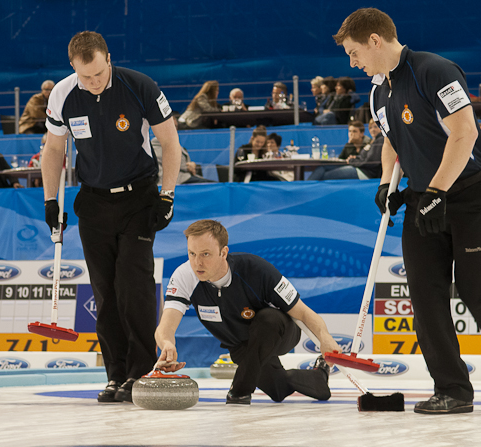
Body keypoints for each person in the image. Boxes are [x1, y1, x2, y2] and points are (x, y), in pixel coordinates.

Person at [334, 8, 481, 414]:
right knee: (425, 298)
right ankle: (452, 390)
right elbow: (391, 139)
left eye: (354, 52)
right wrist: (384, 182)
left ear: (375, 40)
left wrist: (436, 190)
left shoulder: (435, 70)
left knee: (476, 288)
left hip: (469, 193)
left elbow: (464, 132)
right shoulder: (379, 91)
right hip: (422, 198)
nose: (353, 62)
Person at [41, 31, 181, 404]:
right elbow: (54, 149)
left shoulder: (139, 86)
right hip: (94, 203)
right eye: (86, 77)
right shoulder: (63, 95)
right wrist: (50, 201)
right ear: (73, 67)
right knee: (104, 293)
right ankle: (115, 375)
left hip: (138, 199)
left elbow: (170, 143)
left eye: (100, 74)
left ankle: (139, 373)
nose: (94, 82)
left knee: (132, 288)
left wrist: (167, 195)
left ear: (108, 59)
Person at [154, 220, 339, 404]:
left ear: (223, 253)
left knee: (267, 319)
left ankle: (239, 391)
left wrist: (325, 337)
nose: (197, 263)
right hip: (240, 345)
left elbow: (304, 312)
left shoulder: (257, 270)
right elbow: (165, 328)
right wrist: (167, 344)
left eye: (205, 254)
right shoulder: (184, 276)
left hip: (279, 332)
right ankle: (319, 376)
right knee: (279, 389)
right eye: (192, 254)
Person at [308, 118, 384, 181]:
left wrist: (353, 161)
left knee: (326, 175)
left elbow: (370, 162)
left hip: (364, 172)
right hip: (358, 167)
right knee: (323, 167)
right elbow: (344, 158)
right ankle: (307, 186)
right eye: (370, 127)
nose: (373, 130)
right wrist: (355, 158)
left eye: (375, 127)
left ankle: (307, 188)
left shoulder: (379, 140)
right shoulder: (373, 142)